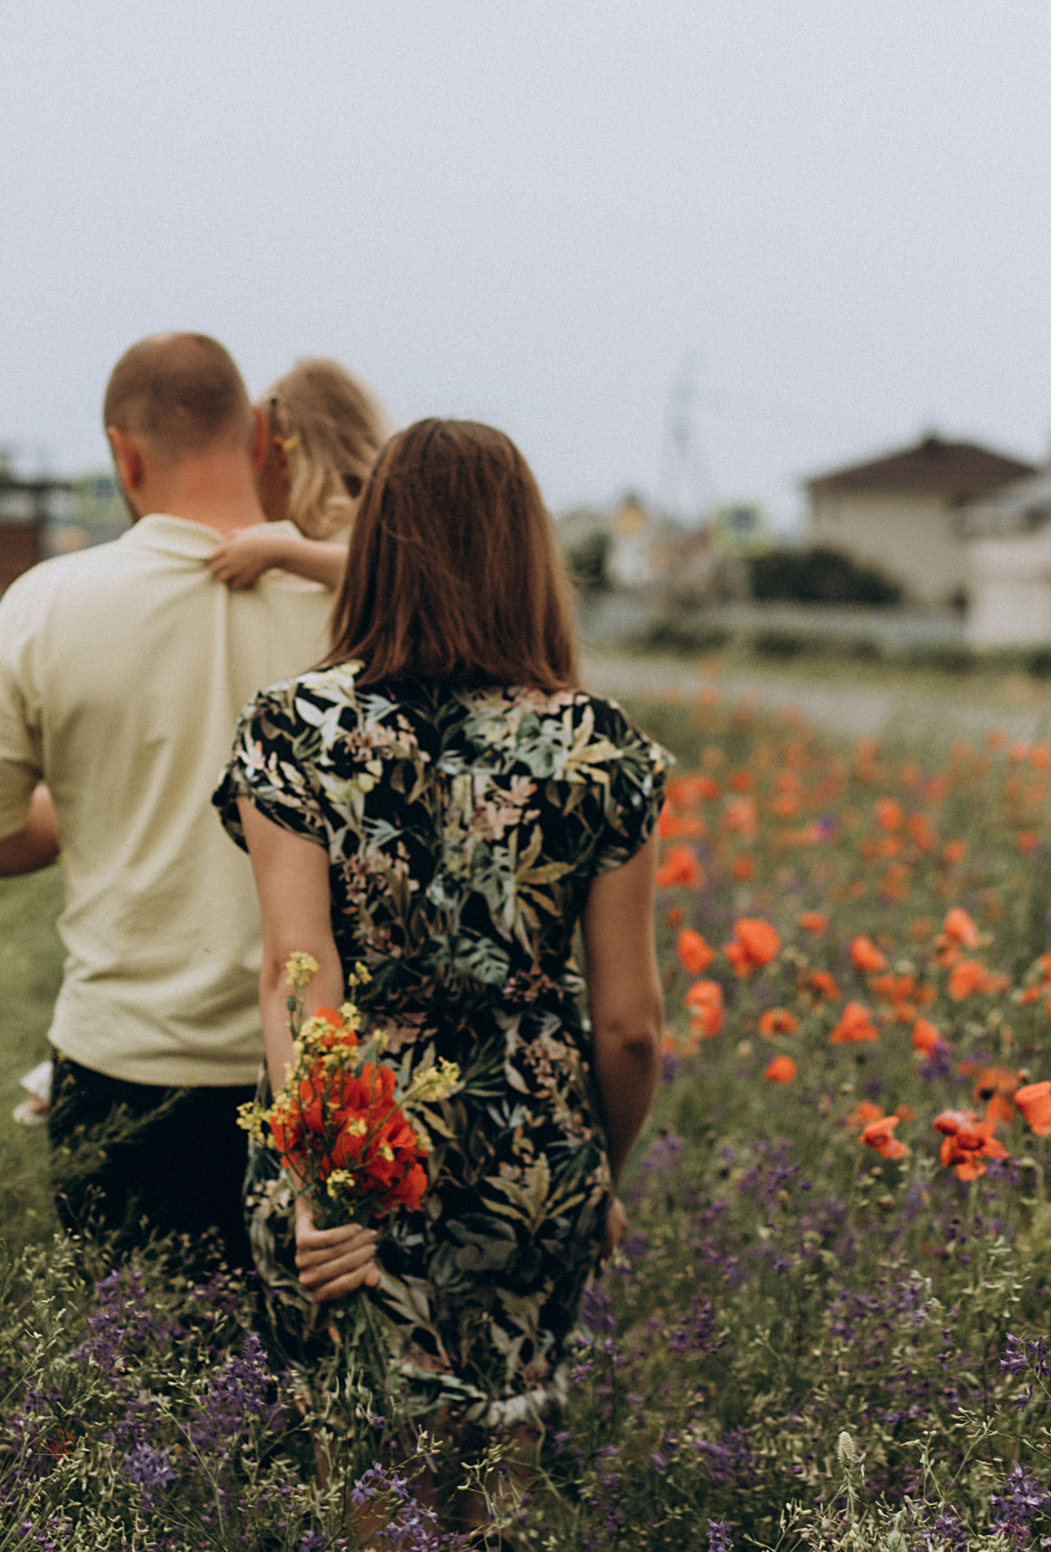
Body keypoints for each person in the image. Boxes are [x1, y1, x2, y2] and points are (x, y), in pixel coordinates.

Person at [214, 418, 669, 1521]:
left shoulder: (294, 730)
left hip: (356, 1155)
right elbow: (630, 1028)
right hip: (533, 1160)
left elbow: (300, 977)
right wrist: (591, 1177)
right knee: (497, 1485)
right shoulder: (600, 748)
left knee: (369, 1485)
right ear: (527, 555)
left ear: (375, 544)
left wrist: (321, 1193)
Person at [0, 332, 333, 1265]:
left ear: (124, 452)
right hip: (315, 1065)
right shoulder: (353, 602)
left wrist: (97, 803)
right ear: (260, 433)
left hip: (121, 1065)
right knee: (305, 1351)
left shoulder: (46, 604)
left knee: (134, 1349)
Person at [206, 357, 391, 593]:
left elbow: (382, 573)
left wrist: (280, 553)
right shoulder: (343, 522)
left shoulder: (369, 521)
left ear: (284, 459)